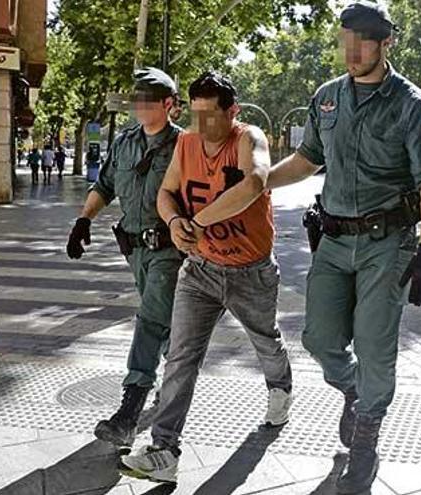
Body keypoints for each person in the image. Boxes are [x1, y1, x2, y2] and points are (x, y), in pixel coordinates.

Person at [265, 2, 421, 493]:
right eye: (346, 40)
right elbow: (308, 161)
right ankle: (353, 390)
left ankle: (365, 439)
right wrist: (260, 182)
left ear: (385, 43)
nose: (352, 50)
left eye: (362, 41)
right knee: (318, 340)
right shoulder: (326, 98)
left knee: (374, 344)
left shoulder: (412, 105)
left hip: (387, 245)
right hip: (332, 239)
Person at [120, 71, 293, 484]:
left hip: (250, 271)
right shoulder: (186, 142)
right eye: (196, 117)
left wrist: (196, 221)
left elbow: (255, 182)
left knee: (265, 340)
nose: (204, 127)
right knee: (181, 357)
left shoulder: (250, 138)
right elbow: (166, 192)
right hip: (199, 270)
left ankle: (280, 386)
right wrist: (175, 219)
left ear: (232, 112)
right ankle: (164, 450)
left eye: (212, 116)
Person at [65, 67, 184, 452]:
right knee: (165, 325)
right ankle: (177, 378)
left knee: (150, 319)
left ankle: (129, 412)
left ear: (169, 104)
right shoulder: (126, 141)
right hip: (135, 252)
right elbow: (106, 185)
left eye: (148, 98)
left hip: (170, 251)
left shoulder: (185, 145)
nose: (139, 105)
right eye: (136, 97)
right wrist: (84, 219)